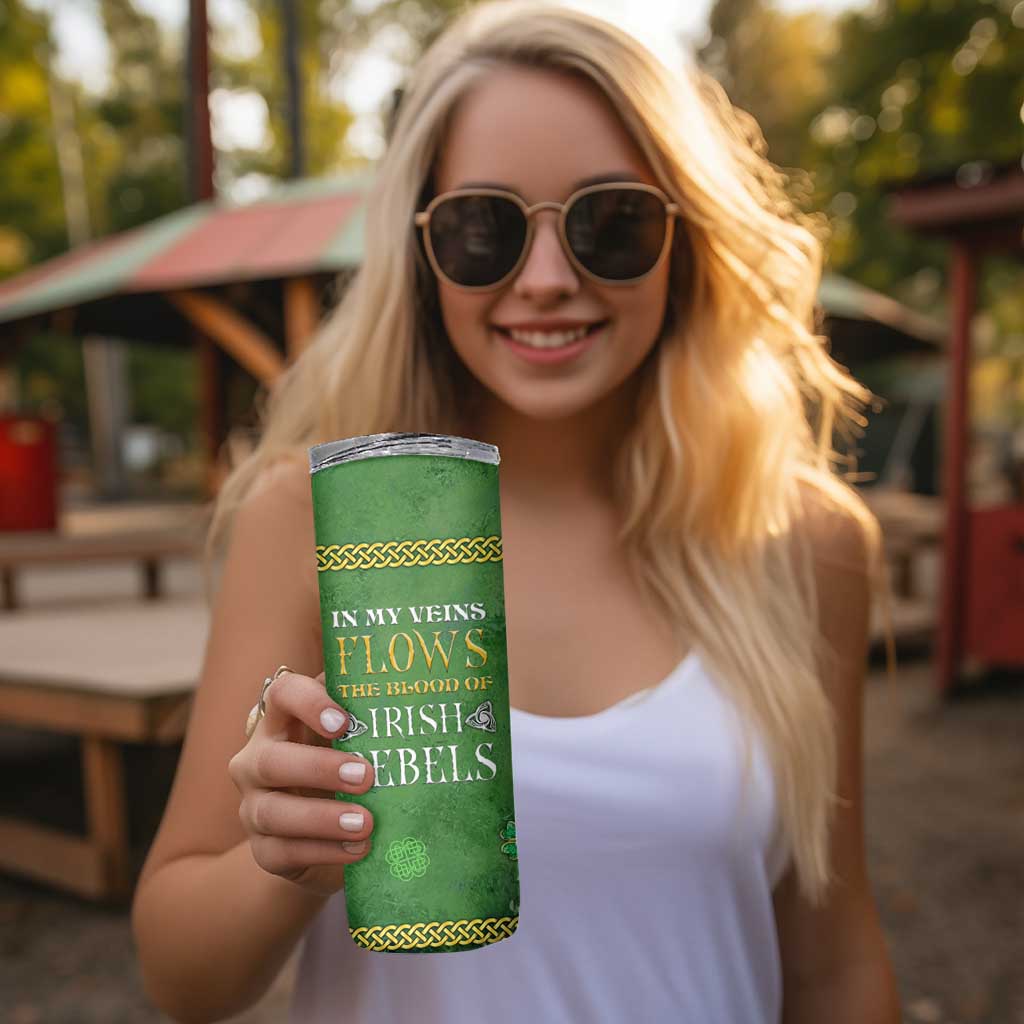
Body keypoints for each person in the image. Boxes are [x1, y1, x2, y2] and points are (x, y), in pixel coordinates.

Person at [131, 3, 901, 1021]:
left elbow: (833, 962)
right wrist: (282, 859)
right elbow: (180, 976)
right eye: (483, 228)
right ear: (420, 251)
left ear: (687, 241)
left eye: (611, 223)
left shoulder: (804, 542)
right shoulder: (312, 519)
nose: (546, 281)